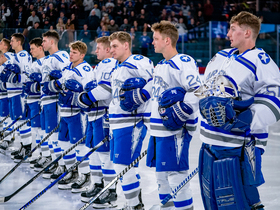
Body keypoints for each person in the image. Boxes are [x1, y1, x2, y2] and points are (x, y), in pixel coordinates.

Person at [197, 11, 280, 210]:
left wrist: (247, 120)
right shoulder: (220, 57)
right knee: (213, 202)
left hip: (238, 147)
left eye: (233, 29)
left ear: (247, 33)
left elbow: (274, 103)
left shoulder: (261, 62)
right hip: (209, 142)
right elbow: (204, 89)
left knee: (239, 202)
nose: (228, 34)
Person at [146, 20, 201, 210]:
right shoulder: (161, 64)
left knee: (176, 173)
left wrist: (182, 111)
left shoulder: (182, 62)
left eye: (156, 38)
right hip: (159, 129)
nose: (152, 42)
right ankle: (168, 206)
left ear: (167, 40)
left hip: (175, 130)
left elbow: (198, 90)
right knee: (161, 173)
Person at [109, 31, 153, 209]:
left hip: (131, 121)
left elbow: (154, 81)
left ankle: (134, 205)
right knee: (126, 167)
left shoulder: (137, 62)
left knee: (121, 166)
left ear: (126, 45)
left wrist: (142, 95)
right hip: (117, 121)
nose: (111, 50)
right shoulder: (118, 66)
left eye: (115, 46)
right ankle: (133, 203)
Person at [46, 41, 93, 191]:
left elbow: (88, 91)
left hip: (76, 114)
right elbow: (60, 84)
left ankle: (85, 175)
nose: (70, 54)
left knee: (78, 145)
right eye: (70, 51)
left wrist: (76, 96)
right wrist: (50, 86)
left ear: (82, 55)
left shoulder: (85, 69)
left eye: (74, 52)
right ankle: (71, 171)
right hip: (64, 112)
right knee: (63, 143)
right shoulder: (67, 67)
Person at [77, 36, 117, 207]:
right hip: (94, 115)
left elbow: (105, 91)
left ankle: (110, 191)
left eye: (99, 48)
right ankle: (98, 185)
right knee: (93, 151)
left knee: (104, 154)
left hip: (103, 115)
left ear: (108, 50)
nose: (95, 51)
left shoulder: (110, 64)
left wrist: (86, 97)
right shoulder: (100, 65)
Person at [34, 30, 70, 180]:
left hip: (54, 101)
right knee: (49, 133)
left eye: (44, 41)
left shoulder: (61, 56)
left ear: (52, 42)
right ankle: (55, 161)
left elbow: (68, 74)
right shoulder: (48, 59)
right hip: (46, 100)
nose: (42, 44)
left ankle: (61, 163)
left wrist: (56, 84)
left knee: (55, 134)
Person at [0, 33, 33, 161]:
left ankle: (27, 147)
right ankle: (23, 146)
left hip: (19, 92)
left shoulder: (23, 55)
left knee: (21, 120)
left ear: (19, 42)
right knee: (18, 120)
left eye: (13, 41)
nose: (11, 42)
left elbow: (26, 75)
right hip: (12, 92)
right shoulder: (16, 56)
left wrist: (15, 77)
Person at [24, 38, 46, 167]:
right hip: (31, 101)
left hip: (39, 101)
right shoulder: (34, 63)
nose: (30, 51)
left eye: (32, 48)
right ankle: (39, 154)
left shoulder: (44, 63)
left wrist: (35, 86)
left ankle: (45, 155)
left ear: (40, 48)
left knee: (41, 130)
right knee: (35, 130)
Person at [0, 38, 15, 153]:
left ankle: (7, 137)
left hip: (6, 93)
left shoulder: (9, 58)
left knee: (6, 116)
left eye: (1, 43)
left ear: (5, 46)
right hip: (2, 93)